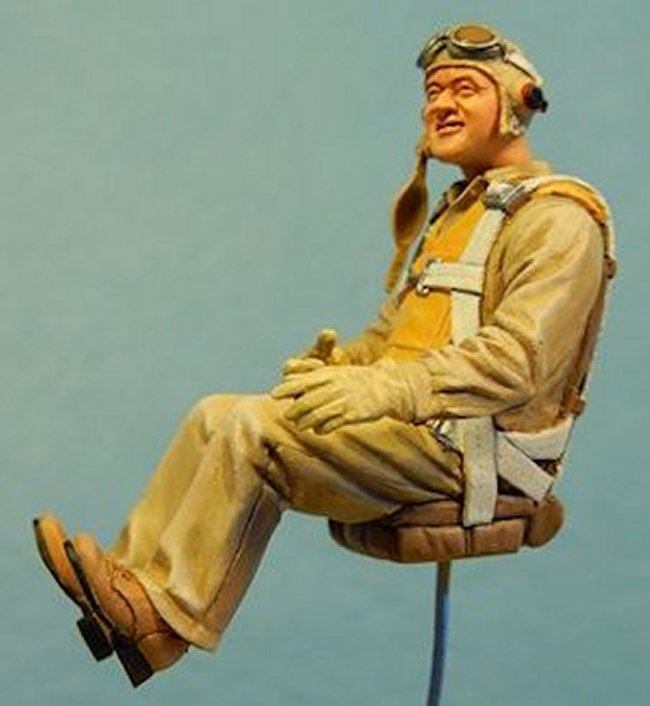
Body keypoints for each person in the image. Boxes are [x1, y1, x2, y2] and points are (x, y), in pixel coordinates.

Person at [33, 23, 614, 687]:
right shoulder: (459, 216)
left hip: (476, 454)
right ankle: (130, 588)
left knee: (254, 431)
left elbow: (517, 362)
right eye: (433, 92)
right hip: (424, 430)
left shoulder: (559, 219)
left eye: (464, 89)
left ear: (518, 103)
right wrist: (344, 368)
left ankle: (164, 624)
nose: (441, 105)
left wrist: (385, 391)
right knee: (214, 413)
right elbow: (393, 336)